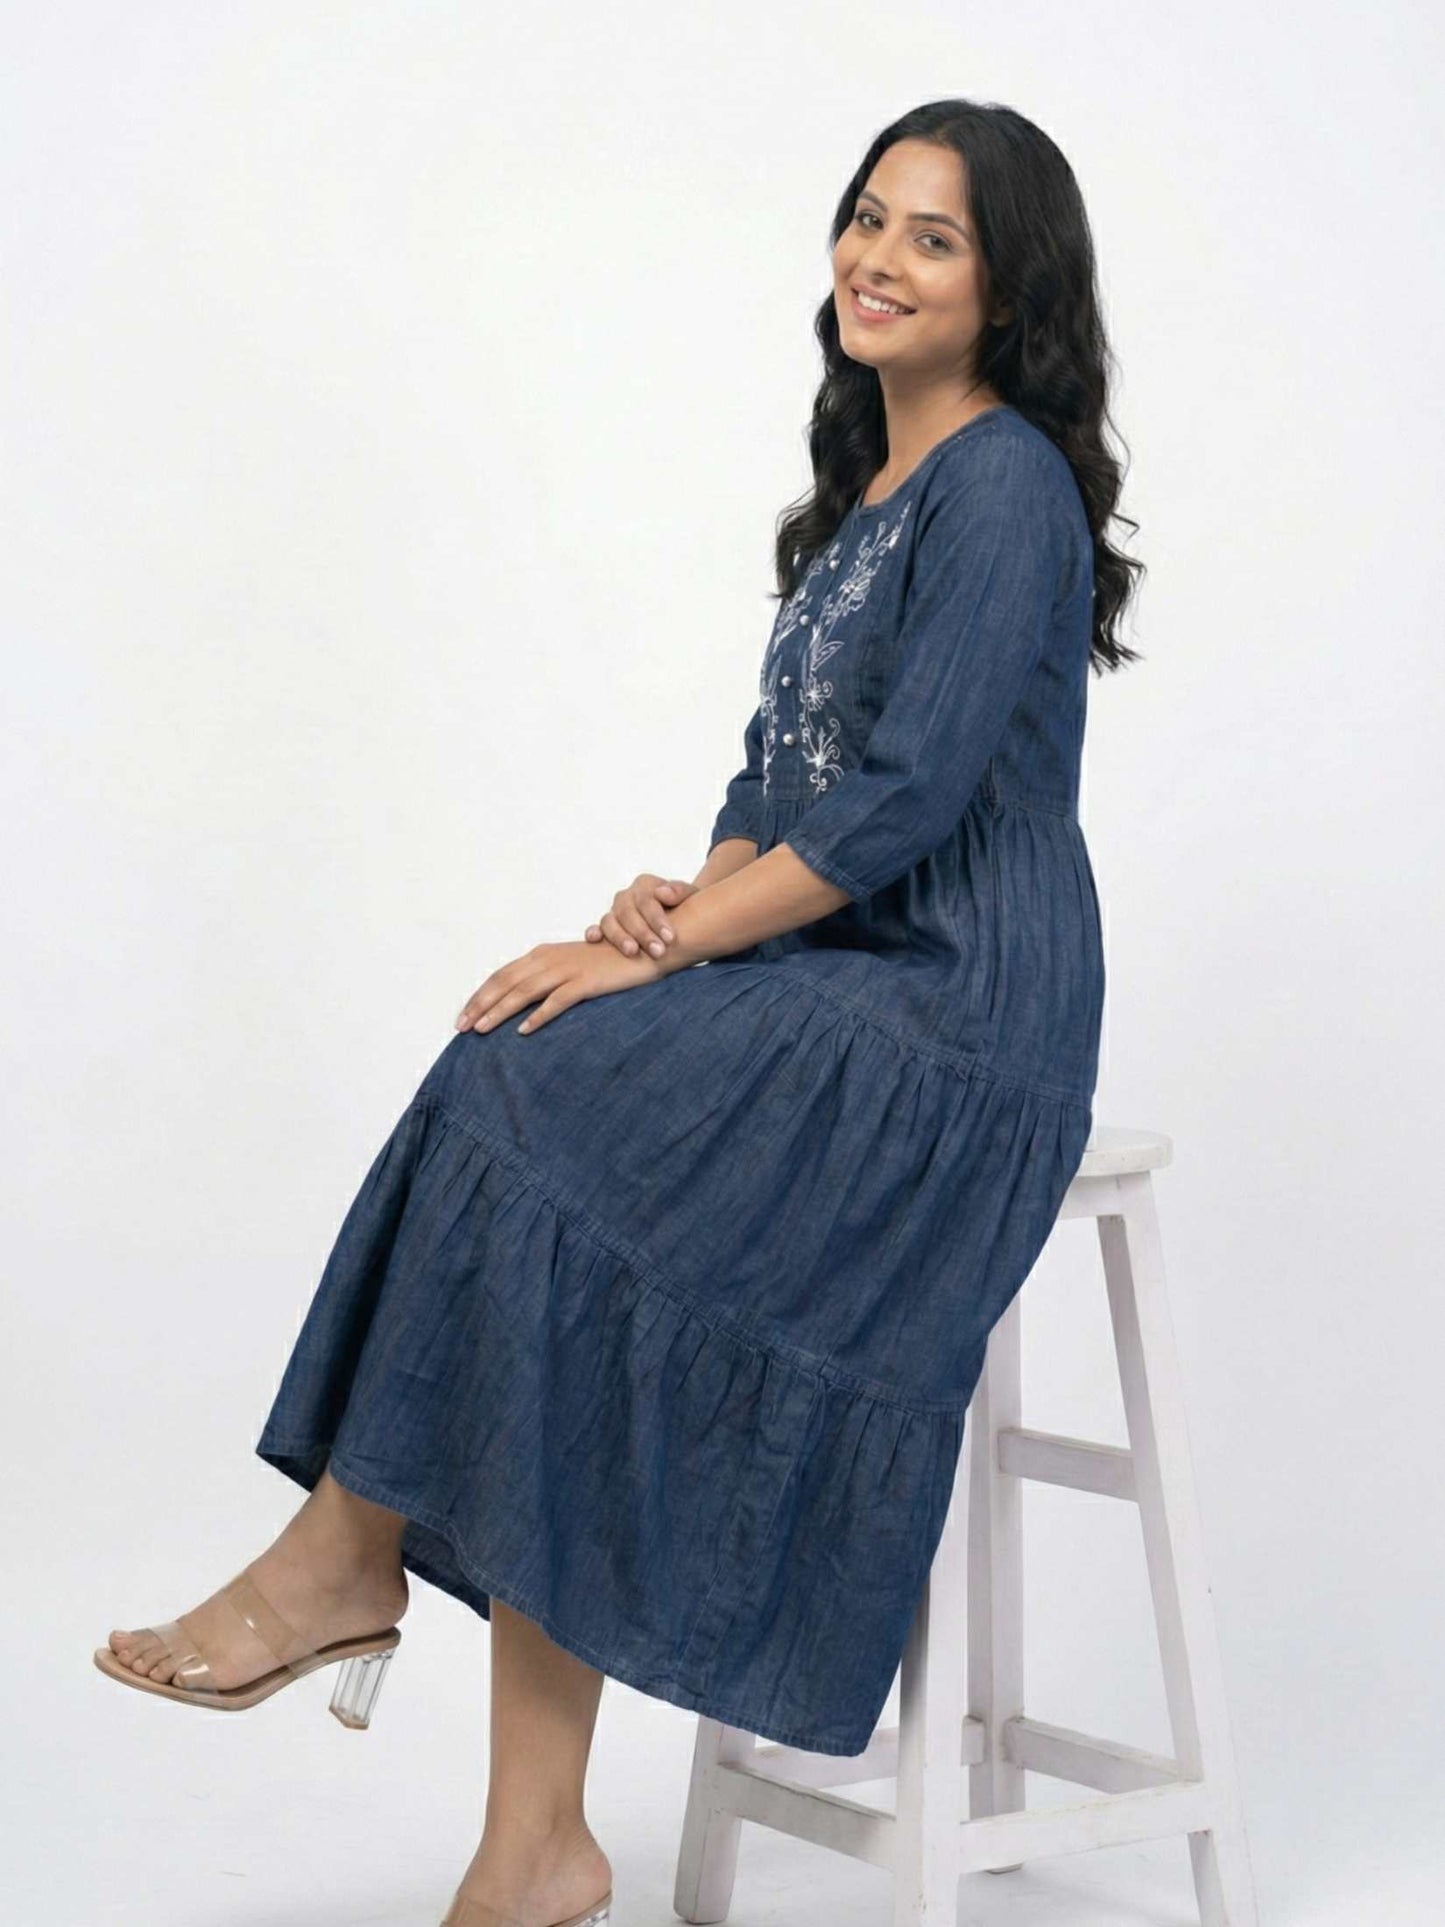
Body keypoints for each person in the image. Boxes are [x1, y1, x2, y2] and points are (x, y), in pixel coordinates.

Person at [94, 97, 1143, 1927]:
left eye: (932, 239)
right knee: (529, 1091)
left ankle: (346, 1557)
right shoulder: (860, 504)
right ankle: (533, 1845)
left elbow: (899, 803)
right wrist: (683, 896)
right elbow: (778, 778)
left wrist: (669, 956)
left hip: (961, 1030)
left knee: (539, 1095)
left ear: (1006, 288)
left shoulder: (1003, 482)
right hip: (842, 977)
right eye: (866, 220)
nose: (876, 261)